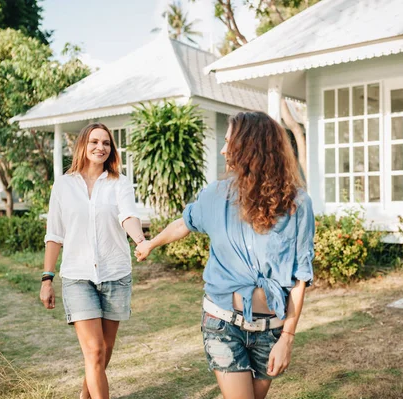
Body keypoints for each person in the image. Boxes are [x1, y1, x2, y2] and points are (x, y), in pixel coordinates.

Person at [135, 111, 315, 399]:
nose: (222, 149)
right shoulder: (214, 195)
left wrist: (288, 338)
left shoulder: (297, 204)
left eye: (229, 141)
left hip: (271, 330)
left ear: (251, 146)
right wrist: (151, 243)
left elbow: (300, 277)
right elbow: (184, 223)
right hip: (222, 323)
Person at [39, 122, 146, 399]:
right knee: (95, 351)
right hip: (78, 277)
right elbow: (54, 234)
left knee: (102, 355)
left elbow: (128, 215)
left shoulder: (119, 182)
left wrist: (141, 240)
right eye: (95, 142)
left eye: (106, 143)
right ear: (83, 145)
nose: (101, 147)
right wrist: (47, 278)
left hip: (116, 274)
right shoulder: (63, 185)